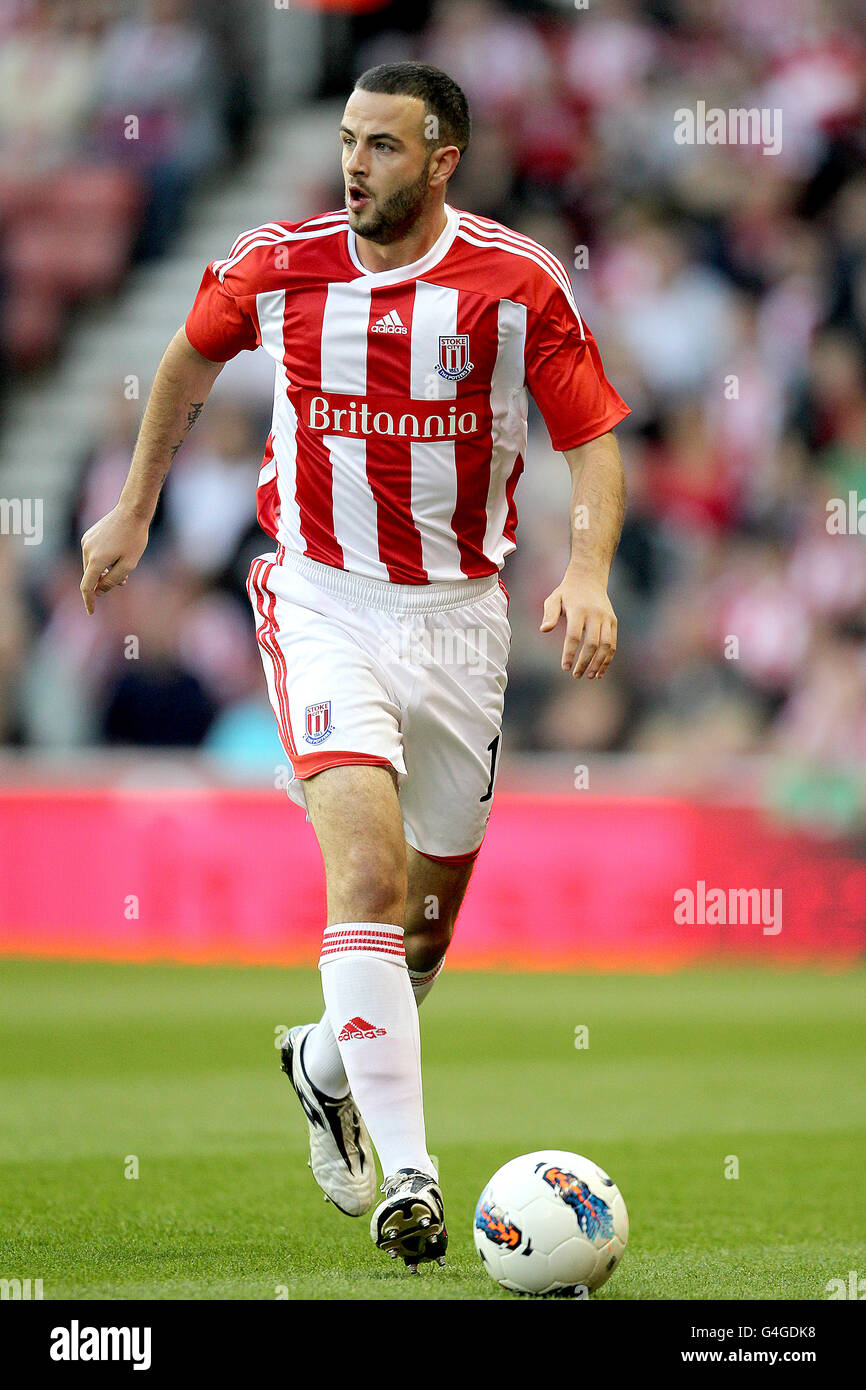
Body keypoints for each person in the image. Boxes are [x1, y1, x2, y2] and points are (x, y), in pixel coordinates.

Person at [80, 61, 629, 1274]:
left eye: (383, 146)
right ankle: (415, 1180)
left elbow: (590, 437)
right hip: (320, 597)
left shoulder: (513, 280)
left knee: (420, 938)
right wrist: (131, 511)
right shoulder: (279, 262)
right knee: (366, 874)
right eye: (346, 140)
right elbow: (180, 362)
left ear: (442, 160)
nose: (354, 164)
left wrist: (584, 573)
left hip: (459, 624)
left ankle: (320, 1061)